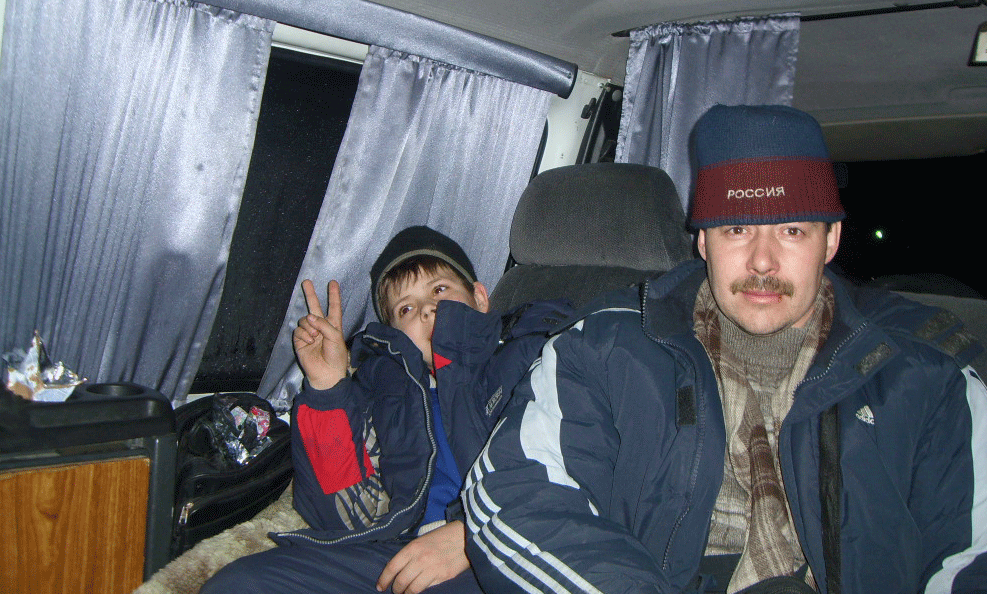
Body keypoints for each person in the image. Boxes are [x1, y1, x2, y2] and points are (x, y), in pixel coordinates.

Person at [462, 105, 987, 594]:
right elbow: (520, 492)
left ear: (829, 241)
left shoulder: (928, 371)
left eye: (792, 230)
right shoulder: (605, 347)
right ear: (703, 241)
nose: (762, 261)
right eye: (736, 229)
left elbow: (973, 553)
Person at [201, 225, 571, 594]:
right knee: (239, 584)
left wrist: (474, 534)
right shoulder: (385, 392)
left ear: (479, 298)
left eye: (440, 290)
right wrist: (328, 388)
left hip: (505, 547)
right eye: (405, 308)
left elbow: (569, 464)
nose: (426, 310)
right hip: (400, 552)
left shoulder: (531, 352)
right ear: (394, 333)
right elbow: (347, 515)